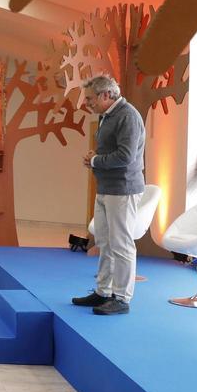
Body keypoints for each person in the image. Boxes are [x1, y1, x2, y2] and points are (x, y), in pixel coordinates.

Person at [74, 74, 147, 316]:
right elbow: (113, 151)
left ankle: (122, 298)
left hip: (123, 189)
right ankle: (103, 291)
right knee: (104, 242)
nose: (87, 103)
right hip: (106, 187)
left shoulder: (128, 116)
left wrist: (96, 160)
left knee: (121, 245)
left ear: (106, 95)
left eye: (90, 98)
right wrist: (96, 159)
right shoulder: (107, 115)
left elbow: (126, 156)